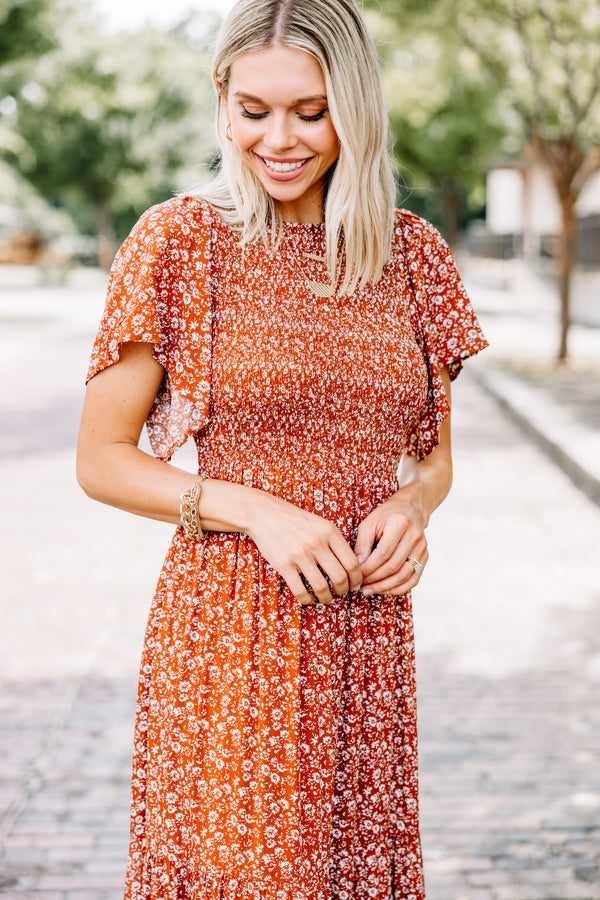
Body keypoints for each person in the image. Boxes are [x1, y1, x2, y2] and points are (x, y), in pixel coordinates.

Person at [77, 0, 487, 897]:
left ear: (357, 106)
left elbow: (433, 458)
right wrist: (257, 510)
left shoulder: (413, 258)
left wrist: (413, 509)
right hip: (232, 638)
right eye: (255, 109)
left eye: (311, 110)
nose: (281, 138)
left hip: (366, 640)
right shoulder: (178, 244)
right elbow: (101, 459)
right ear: (223, 102)